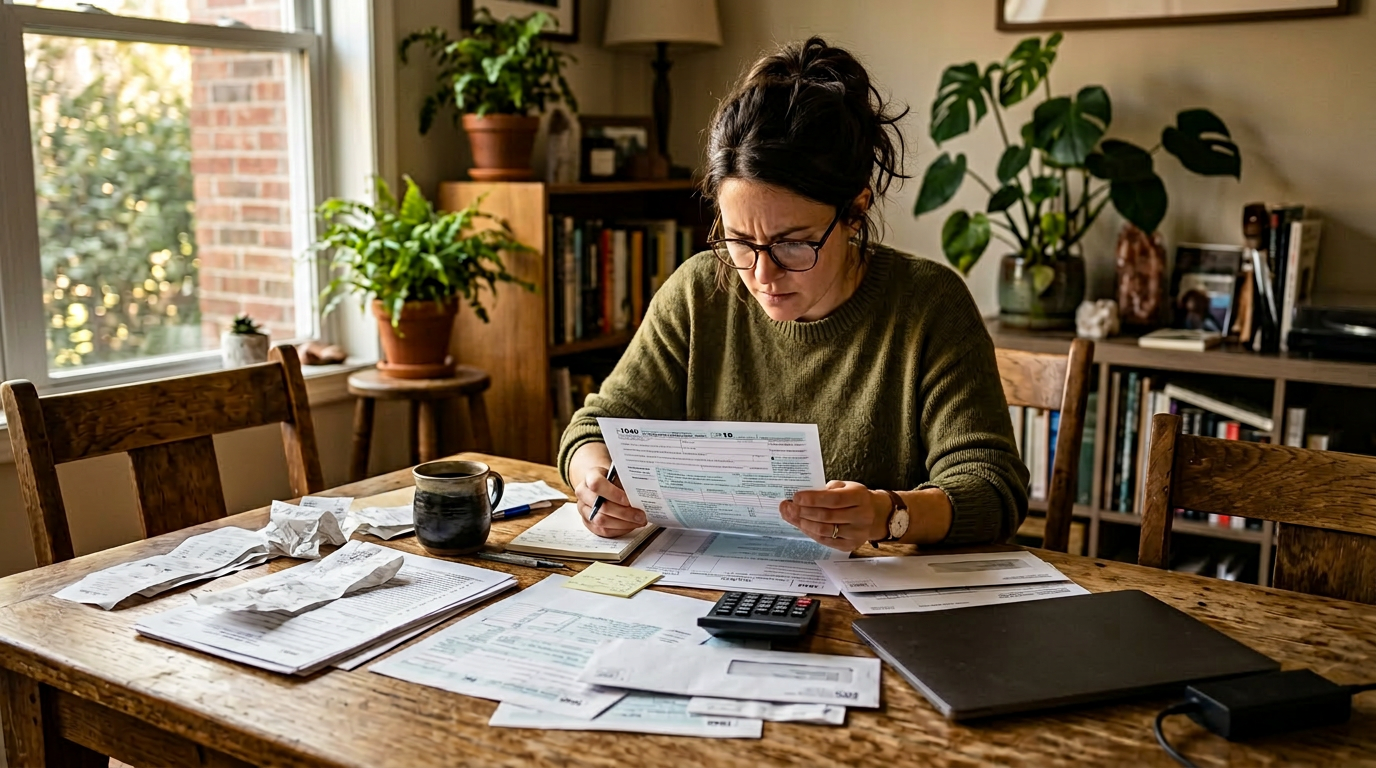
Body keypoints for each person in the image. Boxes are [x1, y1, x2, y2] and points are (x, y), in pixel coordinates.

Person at [559, 37, 1028, 552]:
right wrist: (596, 484)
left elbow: (992, 487)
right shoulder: (698, 292)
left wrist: (888, 513)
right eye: (739, 242)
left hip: (874, 608)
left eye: (793, 244)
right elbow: (594, 428)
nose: (762, 273)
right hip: (705, 594)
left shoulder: (929, 305)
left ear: (854, 211)